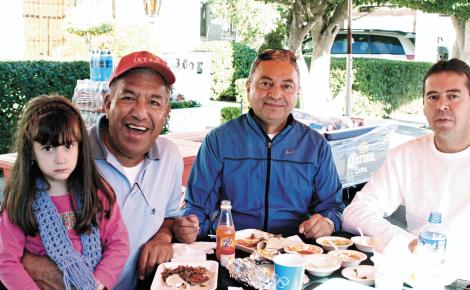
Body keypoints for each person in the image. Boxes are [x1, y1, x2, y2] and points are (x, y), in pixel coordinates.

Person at [21, 51, 184, 290]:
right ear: (107, 104)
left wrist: (163, 235)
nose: (140, 112)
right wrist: (29, 263)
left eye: (154, 102)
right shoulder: (66, 155)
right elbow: (10, 225)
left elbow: (170, 216)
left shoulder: (170, 156)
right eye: (128, 98)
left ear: (166, 113)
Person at [173, 48, 344, 243]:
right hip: (231, 249)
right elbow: (196, 207)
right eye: (265, 83)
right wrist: (189, 224)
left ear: (297, 92)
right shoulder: (219, 140)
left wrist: (327, 222)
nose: (276, 94)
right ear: (248, 87)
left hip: (294, 253)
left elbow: (333, 207)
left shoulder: (315, 146)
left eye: (287, 86)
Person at [342, 58, 470, 276]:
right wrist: (407, 242)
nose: (442, 105)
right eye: (432, 97)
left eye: (453, 96)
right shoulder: (406, 156)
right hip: (420, 274)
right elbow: (355, 213)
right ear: (424, 107)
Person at [0, 95, 129, 290]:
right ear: (31, 151)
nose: (60, 159)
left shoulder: (97, 193)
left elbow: (119, 243)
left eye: (68, 145)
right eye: (48, 148)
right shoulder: (21, 200)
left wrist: (99, 282)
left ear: (80, 146)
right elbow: (6, 260)